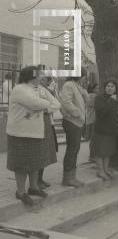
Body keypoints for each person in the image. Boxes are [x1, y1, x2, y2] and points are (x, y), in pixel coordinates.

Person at [6, 65, 60, 206]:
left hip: (36, 132)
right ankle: (20, 192)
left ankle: (33, 187)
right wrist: (47, 106)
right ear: (30, 76)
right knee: (21, 164)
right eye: (39, 75)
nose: (42, 77)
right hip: (20, 133)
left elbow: (57, 104)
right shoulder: (19, 89)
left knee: (36, 162)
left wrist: (45, 106)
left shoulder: (41, 89)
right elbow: (34, 103)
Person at [60, 68, 89, 187]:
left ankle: (71, 176)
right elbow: (66, 103)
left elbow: (87, 100)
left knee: (75, 149)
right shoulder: (68, 85)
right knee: (72, 149)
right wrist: (79, 115)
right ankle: (67, 178)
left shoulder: (77, 86)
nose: (85, 78)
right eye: (84, 76)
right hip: (72, 121)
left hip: (77, 122)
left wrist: (84, 91)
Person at [92, 80, 118, 180]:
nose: (110, 88)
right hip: (101, 129)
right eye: (108, 86)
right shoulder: (99, 98)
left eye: (112, 86)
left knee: (108, 151)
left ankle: (105, 169)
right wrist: (111, 101)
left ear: (115, 88)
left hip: (111, 130)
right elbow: (101, 112)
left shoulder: (116, 99)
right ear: (105, 87)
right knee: (99, 151)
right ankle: (100, 171)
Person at [38, 75, 60, 189]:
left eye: (44, 80)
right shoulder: (35, 91)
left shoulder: (48, 92)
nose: (41, 81)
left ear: (48, 82)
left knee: (46, 152)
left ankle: (40, 178)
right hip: (38, 125)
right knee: (40, 152)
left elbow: (56, 105)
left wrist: (47, 110)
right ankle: (36, 180)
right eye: (40, 79)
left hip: (48, 123)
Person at [86, 83, 99, 162]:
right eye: (97, 88)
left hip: (88, 119)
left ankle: (92, 155)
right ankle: (92, 156)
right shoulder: (94, 96)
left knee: (92, 139)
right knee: (94, 139)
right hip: (94, 119)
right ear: (93, 89)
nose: (99, 90)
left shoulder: (87, 95)